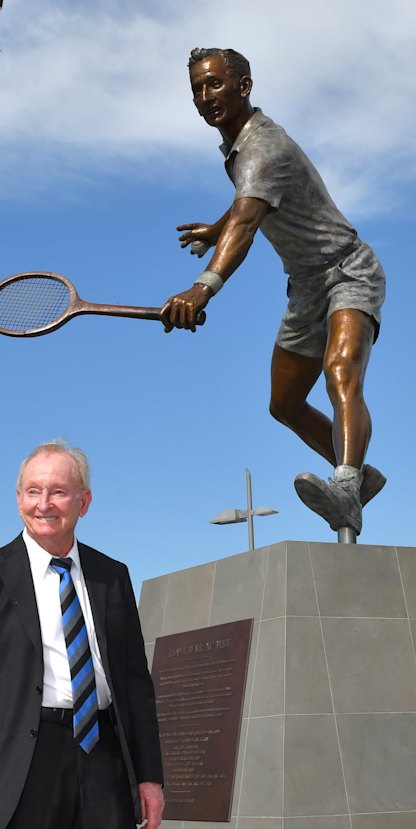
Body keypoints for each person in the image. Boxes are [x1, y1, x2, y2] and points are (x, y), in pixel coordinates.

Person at [160, 47, 386, 536]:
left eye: (215, 84)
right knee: (283, 403)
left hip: (348, 270)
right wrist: (216, 228)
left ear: (244, 86)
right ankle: (358, 471)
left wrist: (203, 289)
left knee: (340, 368)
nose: (205, 97)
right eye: (197, 89)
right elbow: (246, 203)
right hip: (305, 288)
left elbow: (247, 220)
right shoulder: (240, 147)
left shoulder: (265, 146)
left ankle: (347, 484)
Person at [0, 440, 164, 829]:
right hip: (23, 769)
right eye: (33, 491)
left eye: (58, 491)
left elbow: (136, 686)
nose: (44, 504)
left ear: (84, 501)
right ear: (19, 499)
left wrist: (150, 777)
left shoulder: (112, 576)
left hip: (105, 758)